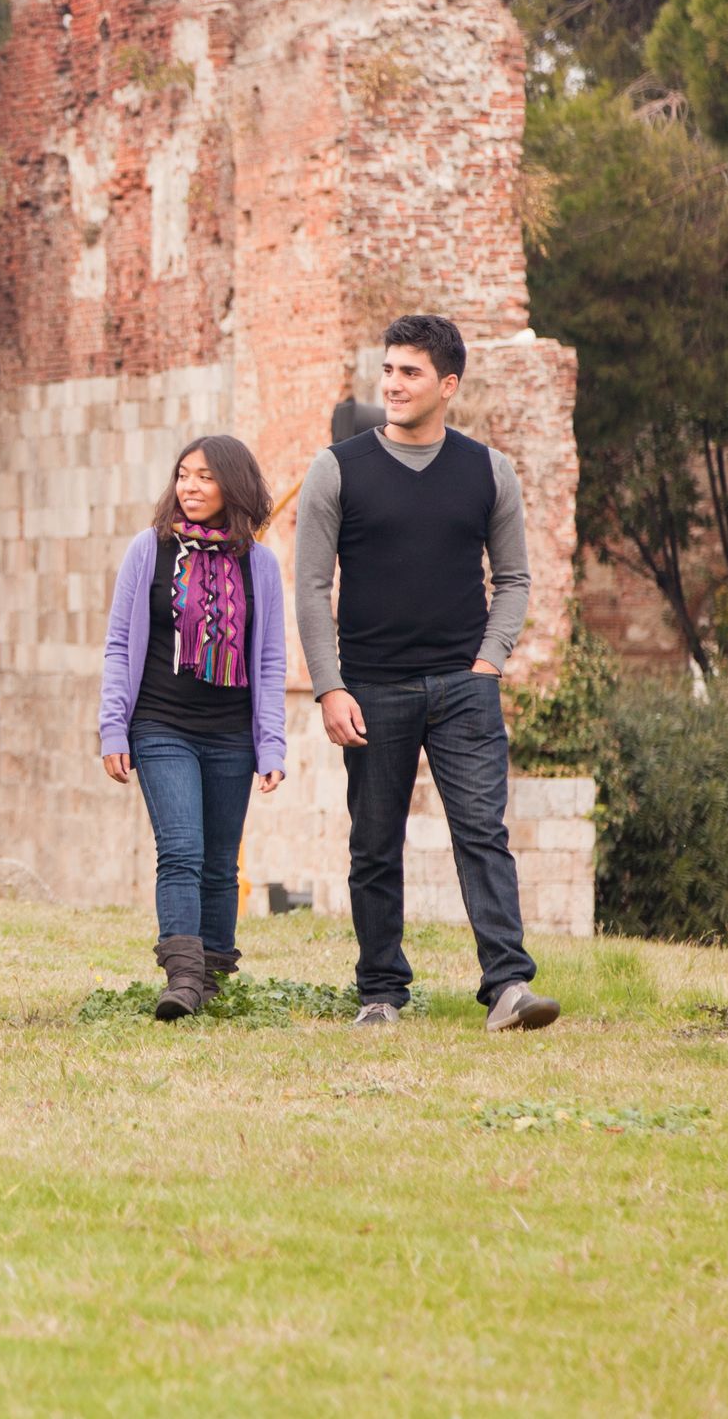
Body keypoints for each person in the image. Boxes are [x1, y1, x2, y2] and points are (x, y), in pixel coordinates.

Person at [295, 313, 560, 1032]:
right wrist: (329, 685)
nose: (393, 384)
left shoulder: (487, 470)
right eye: (388, 370)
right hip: (370, 688)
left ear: (448, 384)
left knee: (483, 832)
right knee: (373, 847)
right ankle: (381, 993)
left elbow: (513, 579)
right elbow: (312, 587)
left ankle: (508, 986)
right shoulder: (337, 468)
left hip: (463, 689)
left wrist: (488, 662)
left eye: (410, 372)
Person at [98, 436, 288, 1019]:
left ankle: (211, 979)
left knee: (220, 860)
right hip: (161, 726)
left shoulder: (260, 565)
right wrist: (112, 729)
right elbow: (118, 646)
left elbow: (273, 658)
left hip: (232, 733)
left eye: (205, 477)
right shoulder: (148, 551)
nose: (191, 487)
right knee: (180, 849)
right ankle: (181, 977)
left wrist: (271, 741)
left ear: (233, 484)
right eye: (183, 475)